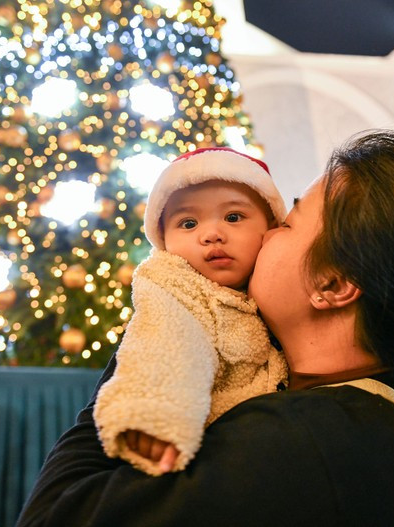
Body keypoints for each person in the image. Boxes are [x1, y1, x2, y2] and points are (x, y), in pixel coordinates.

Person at [17, 131, 394, 526]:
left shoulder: (310, 442)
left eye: (286, 223)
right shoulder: (360, 411)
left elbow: (55, 515)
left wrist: (167, 309)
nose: (264, 237)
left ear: (333, 285)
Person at [93, 147, 288, 475]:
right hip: (203, 448)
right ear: (164, 240)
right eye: (188, 223)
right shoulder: (173, 283)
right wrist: (157, 412)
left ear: (270, 225)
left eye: (233, 217)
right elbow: (168, 339)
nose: (211, 234)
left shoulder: (279, 279)